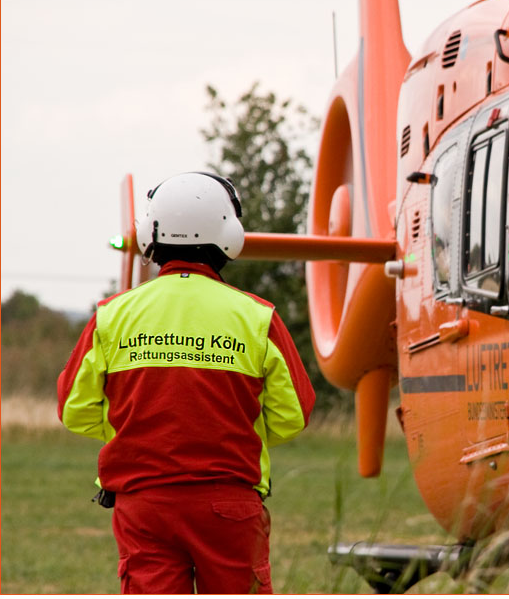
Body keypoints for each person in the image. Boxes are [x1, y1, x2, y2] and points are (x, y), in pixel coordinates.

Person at [57, 171, 316, 594]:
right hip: (229, 505)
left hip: (143, 505)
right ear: (229, 234)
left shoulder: (111, 315)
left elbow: (74, 410)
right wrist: (226, 430)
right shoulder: (257, 316)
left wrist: (139, 429)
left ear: (151, 235)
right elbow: (293, 416)